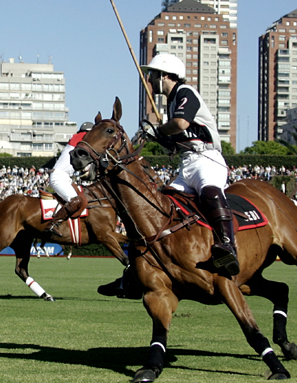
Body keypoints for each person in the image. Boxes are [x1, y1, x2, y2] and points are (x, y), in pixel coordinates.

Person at [100, 53, 238, 300]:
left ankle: (228, 246)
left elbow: (182, 124)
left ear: (165, 75)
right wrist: (162, 138)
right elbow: (174, 142)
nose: (150, 80)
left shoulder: (186, 93)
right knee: (159, 208)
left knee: (209, 192)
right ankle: (135, 274)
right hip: (187, 165)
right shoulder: (171, 103)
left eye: (152, 75)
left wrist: (159, 129)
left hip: (208, 159)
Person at [46, 122, 94, 237]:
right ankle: (53, 224)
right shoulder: (80, 137)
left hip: (65, 177)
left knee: (82, 199)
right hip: (59, 177)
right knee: (76, 200)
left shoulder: (80, 142)